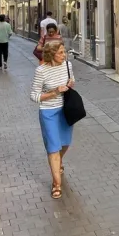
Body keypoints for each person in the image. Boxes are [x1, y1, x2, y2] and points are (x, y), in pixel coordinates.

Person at [29, 40, 75, 199]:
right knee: (53, 147)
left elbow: (72, 81)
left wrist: (70, 84)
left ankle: (58, 161)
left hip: (66, 110)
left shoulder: (68, 65)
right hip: (48, 112)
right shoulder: (41, 71)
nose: (64, 55)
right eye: (61, 52)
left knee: (65, 143)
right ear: (51, 54)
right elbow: (34, 96)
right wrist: (55, 92)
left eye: (64, 52)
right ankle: (56, 184)